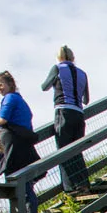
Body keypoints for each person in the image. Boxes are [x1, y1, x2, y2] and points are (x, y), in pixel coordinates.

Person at [0, 71, 39, 213]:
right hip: (21, 145)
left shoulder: (10, 98)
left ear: (10, 84)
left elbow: (2, 119)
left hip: (14, 147)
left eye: (0, 84)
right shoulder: (19, 99)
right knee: (24, 182)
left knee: (17, 182)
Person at [40, 46, 90, 193]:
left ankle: (69, 189)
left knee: (63, 152)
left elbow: (44, 87)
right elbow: (86, 99)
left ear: (59, 57)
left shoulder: (57, 68)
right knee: (76, 150)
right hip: (79, 114)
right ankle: (83, 184)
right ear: (72, 58)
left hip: (63, 112)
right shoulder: (83, 73)